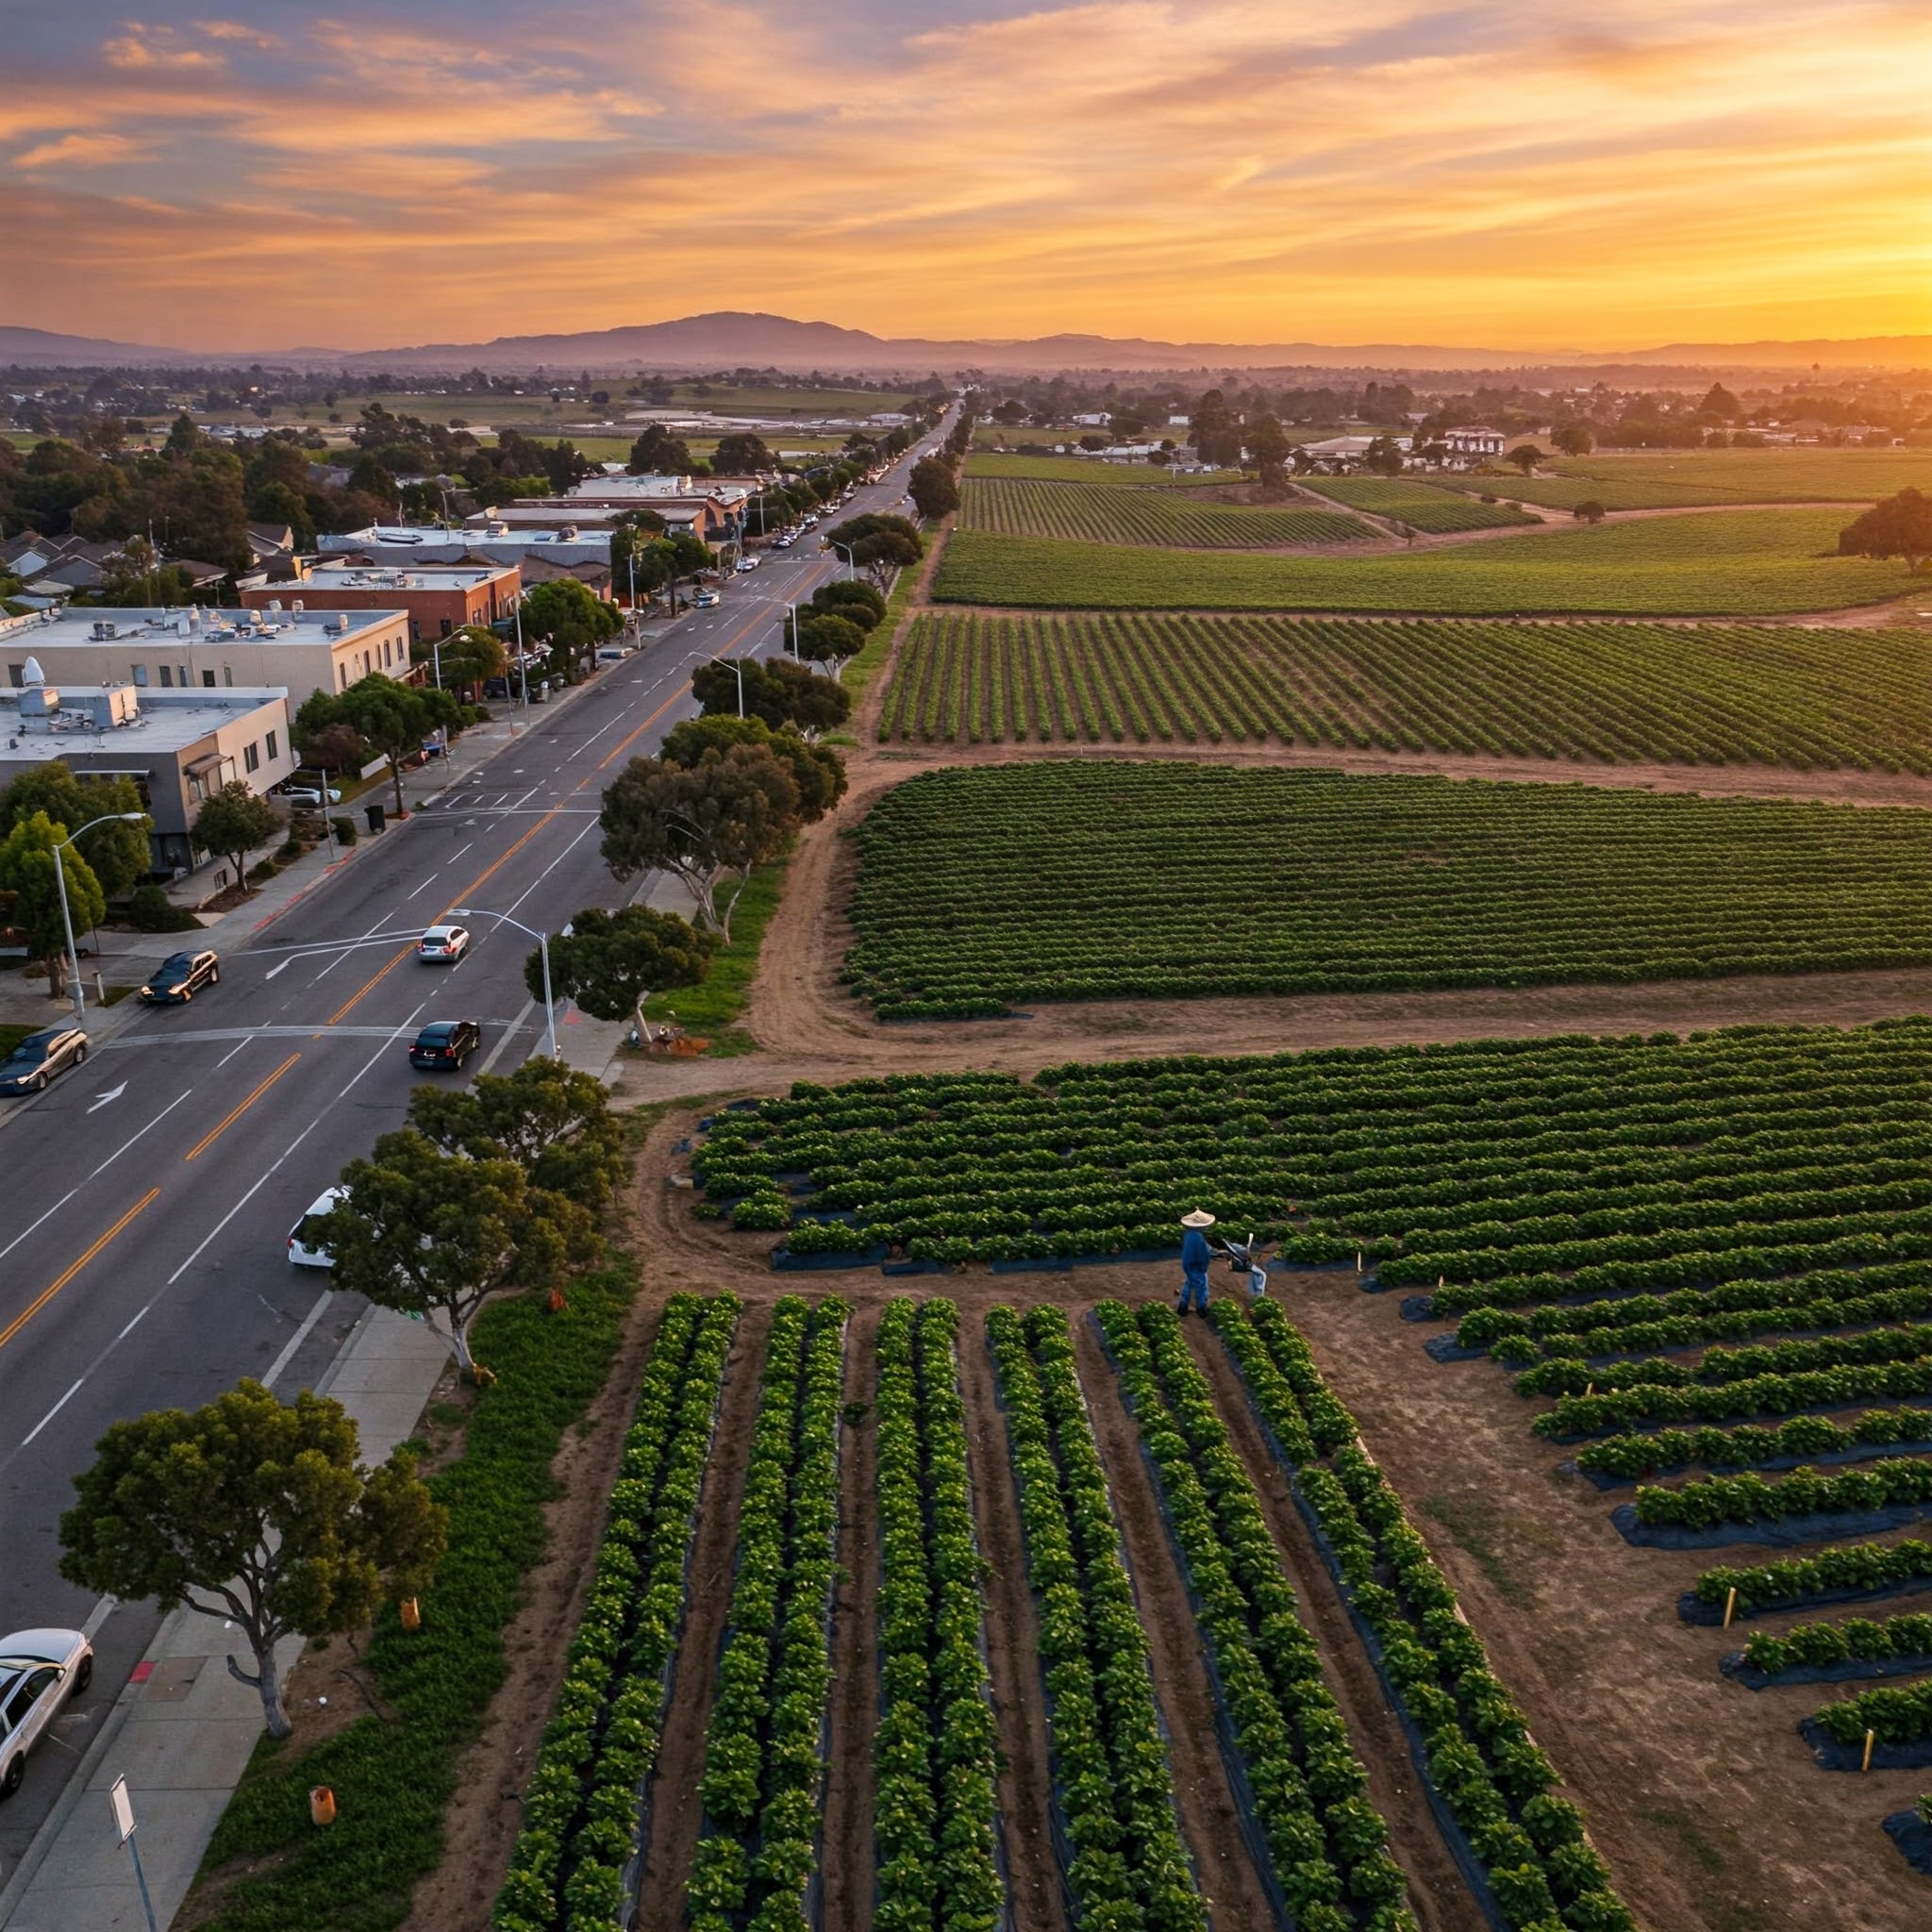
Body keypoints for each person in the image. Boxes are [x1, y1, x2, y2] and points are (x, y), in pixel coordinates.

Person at [1178, 1208, 1216, 1315]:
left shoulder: (1189, 1234)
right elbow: (1203, 1251)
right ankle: (1201, 1308)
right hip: (1197, 1265)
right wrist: (1213, 1253)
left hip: (1188, 1264)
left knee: (1189, 1283)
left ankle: (1183, 1305)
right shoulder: (1198, 1237)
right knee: (1201, 1285)